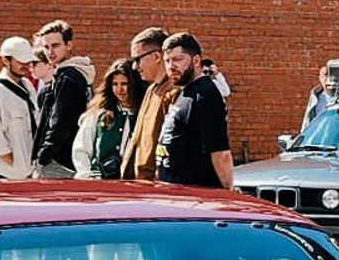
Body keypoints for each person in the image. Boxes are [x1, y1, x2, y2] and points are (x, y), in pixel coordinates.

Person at [157, 32, 234, 189]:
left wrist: (229, 192)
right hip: (174, 194)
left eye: (178, 59)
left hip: (197, 199)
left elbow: (220, 153)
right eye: (167, 61)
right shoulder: (186, 93)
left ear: (196, 60)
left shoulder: (205, 95)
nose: (171, 66)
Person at [33, 19, 94, 178]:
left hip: (60, 161)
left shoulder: (67, 77)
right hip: (72, 158)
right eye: (46, 47)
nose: (50, 52)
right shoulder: (75, 73)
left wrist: (43, 157)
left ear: (69, 45)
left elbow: (60, 122)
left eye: (55, 46)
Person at [0, 36, 41, 180]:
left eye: (28, 61)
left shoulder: (27, 86)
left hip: (26, 170)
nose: (26, 65)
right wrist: (9, 158)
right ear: (6, 60)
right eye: (21, 61)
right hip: (2, 171)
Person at [119, 28, 173, 180]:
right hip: (139, 186)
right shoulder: (151, 90)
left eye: (137, 59)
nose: (135, 67)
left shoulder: (174, 94)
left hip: (157, 189)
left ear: (157, 56)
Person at [83, 59, 135, 180]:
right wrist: (87, 176)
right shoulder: (99, 114)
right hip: (100, 182)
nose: (119, 89)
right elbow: (82, 149)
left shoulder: (142, 116)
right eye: (115, 84)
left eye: (124, 84)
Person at [302, 63, 339, 127]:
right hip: (318, 133)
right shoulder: (315, 96)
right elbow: (307, 118)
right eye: (324, 76)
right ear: (320, 78)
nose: (326, 79)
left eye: (329, 76)